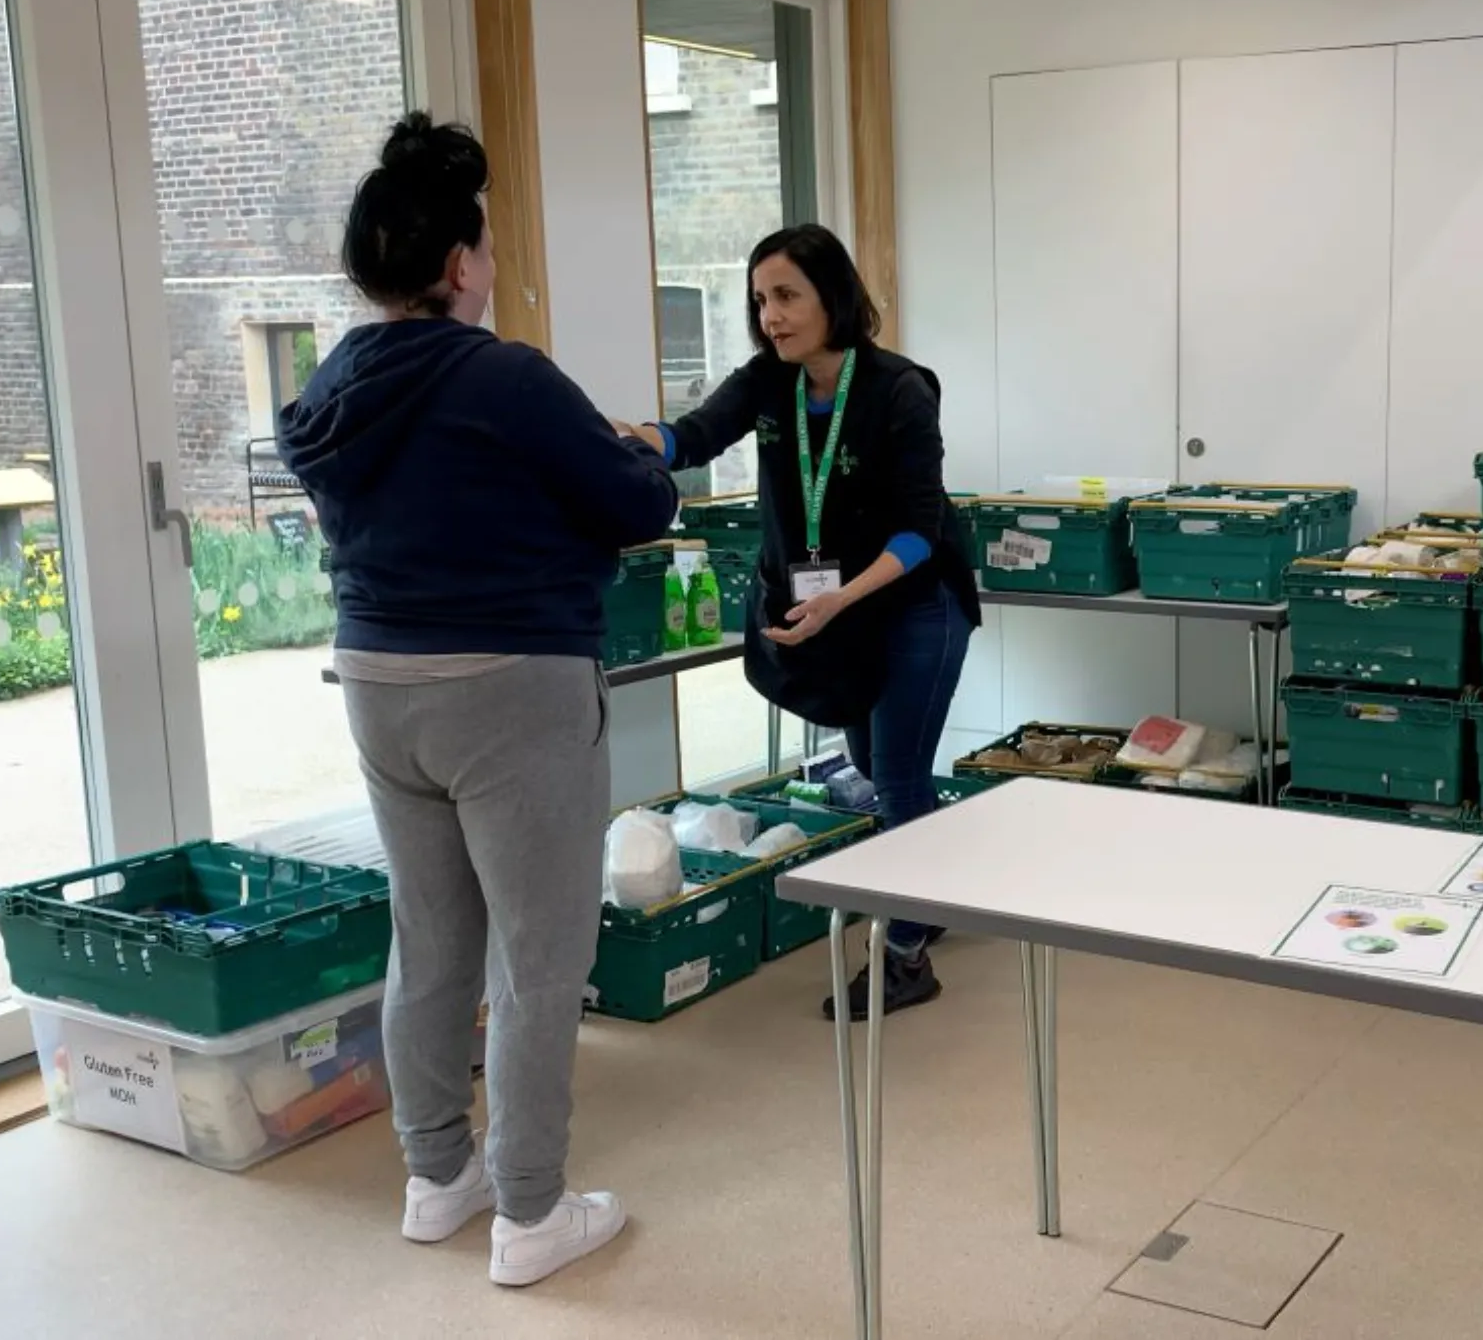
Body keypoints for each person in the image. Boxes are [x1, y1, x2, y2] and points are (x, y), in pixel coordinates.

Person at [278, 113, 677, 1287]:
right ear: (459, 263)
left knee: (432, 936)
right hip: (511, 685)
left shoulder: (337, 383)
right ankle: (531, 1211)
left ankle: (434, 1176)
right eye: (487, 248)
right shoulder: (503, 373)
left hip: (377, 681)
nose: (492, 266)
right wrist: (630, 455)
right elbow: (637, 502)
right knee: (541, 954)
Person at [623, 224, 980, 1020]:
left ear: (833, 297)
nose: (771, 315)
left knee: (896, 774)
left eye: (786, 295)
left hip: (915, 601)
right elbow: (694, 434)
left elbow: (921, 530)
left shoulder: (898, 390)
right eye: (760, 299)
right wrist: (639, 438)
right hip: (837, 607)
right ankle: (927, 893)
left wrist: (841, 598)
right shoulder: (768, 381)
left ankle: (907, 954)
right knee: (868, 757)